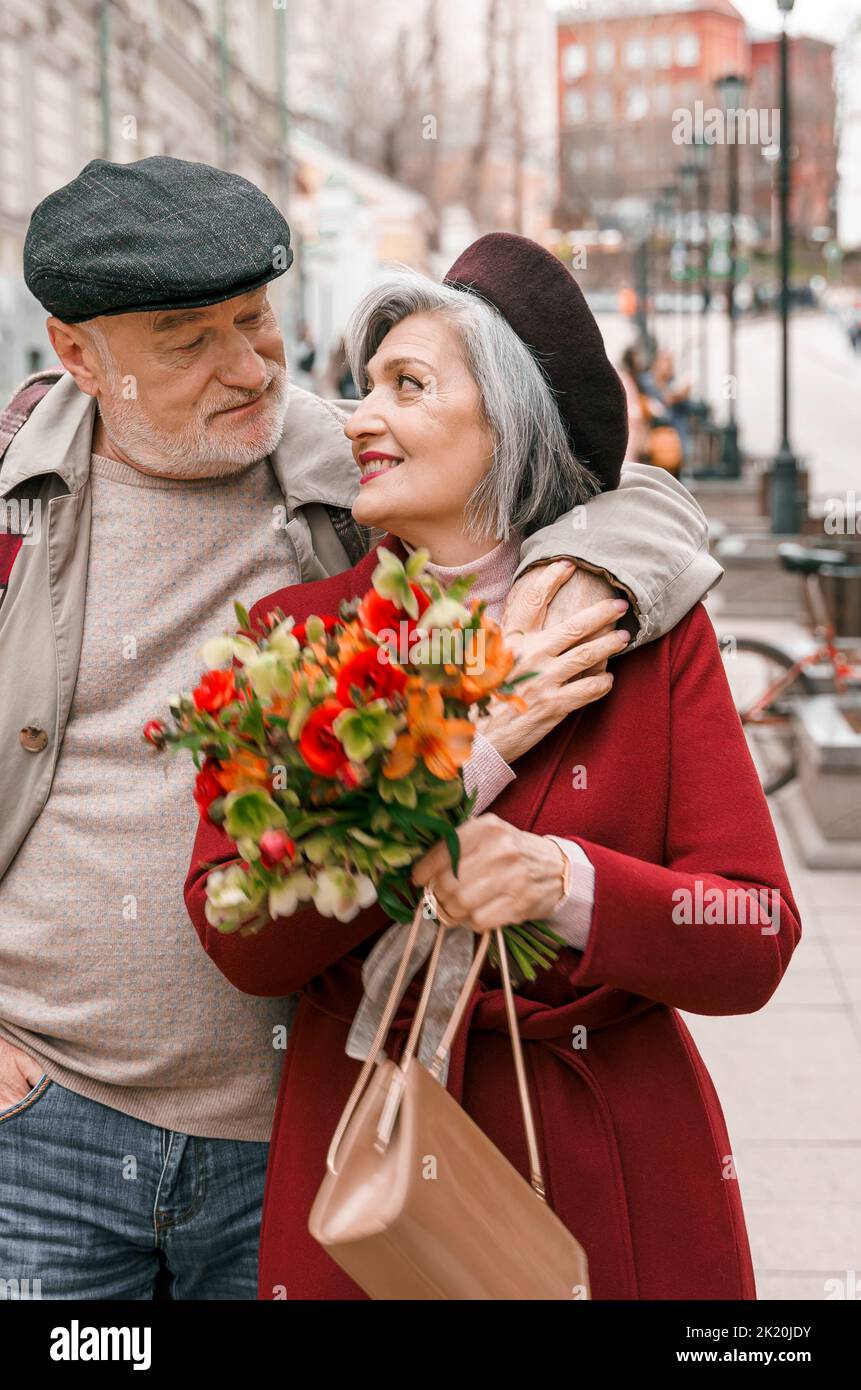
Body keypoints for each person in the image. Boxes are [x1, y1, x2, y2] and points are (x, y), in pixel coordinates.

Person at [0, 160, 718, 1299]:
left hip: (290, 1124)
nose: (247, 369)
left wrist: (590, 573)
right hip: (40, 1128)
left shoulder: (354, 463)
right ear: (80, 354)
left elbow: (589, 468)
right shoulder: (13, 503)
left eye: (256, 322)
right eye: (187, 341)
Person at [186, 234, 801, 1301]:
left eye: (407, 385)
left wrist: (566, 884)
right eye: (361, 387)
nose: (360, 417)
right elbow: (241, 934)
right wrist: (463, 758)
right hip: (370, 1177)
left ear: (511, 421)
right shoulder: (296, 638)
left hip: (613, 1172)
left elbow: (752, 935)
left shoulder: (648, 634)